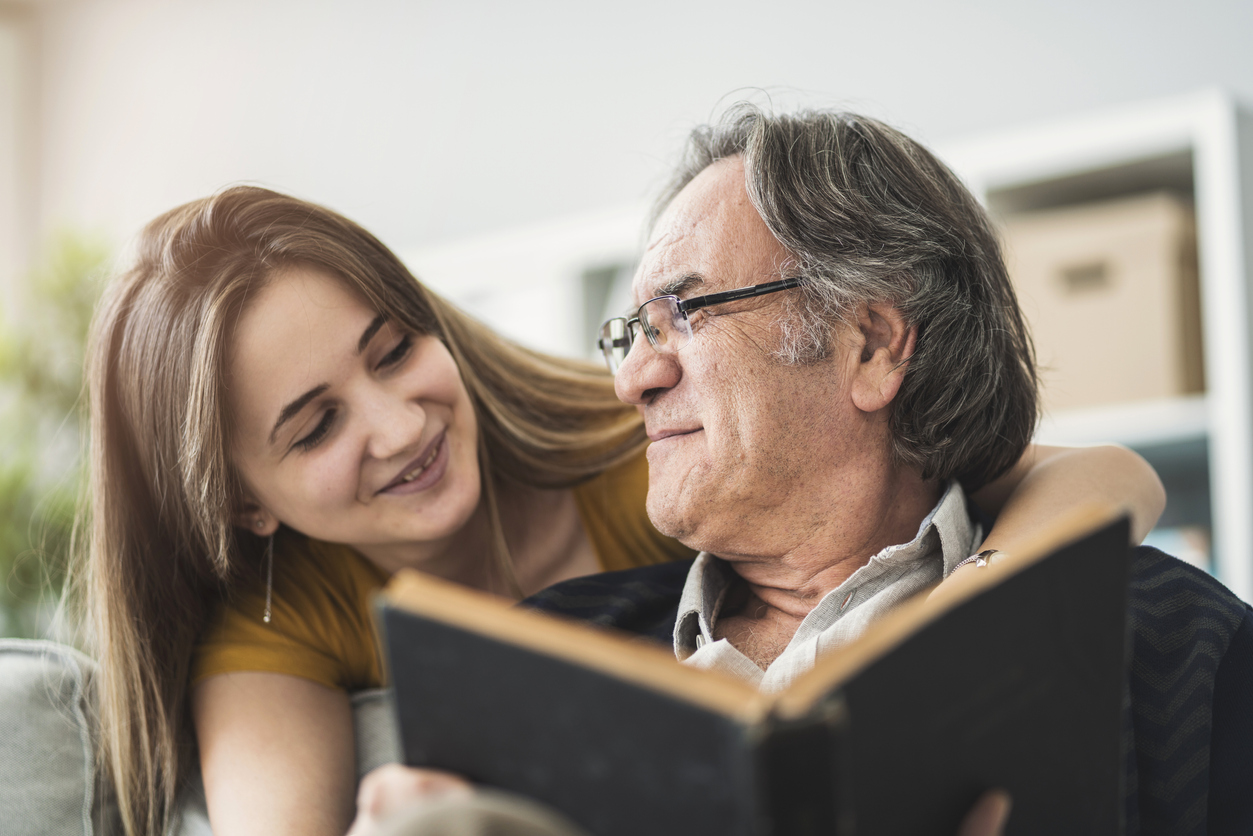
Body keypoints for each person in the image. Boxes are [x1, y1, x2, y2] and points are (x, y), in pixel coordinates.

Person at [80, 183, 1164, 836]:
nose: (398, 424)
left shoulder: (641, 456)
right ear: (238, 502)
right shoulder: (273, 624)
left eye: (393, 349)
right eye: (314, 426)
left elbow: (1106, 475)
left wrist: (965, 624)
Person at [346, 105, 1187, 834]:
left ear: (870, 345)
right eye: (628, 332)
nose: (630, 378)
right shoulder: (542, 663)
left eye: (682, 312)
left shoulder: (1169, 645)